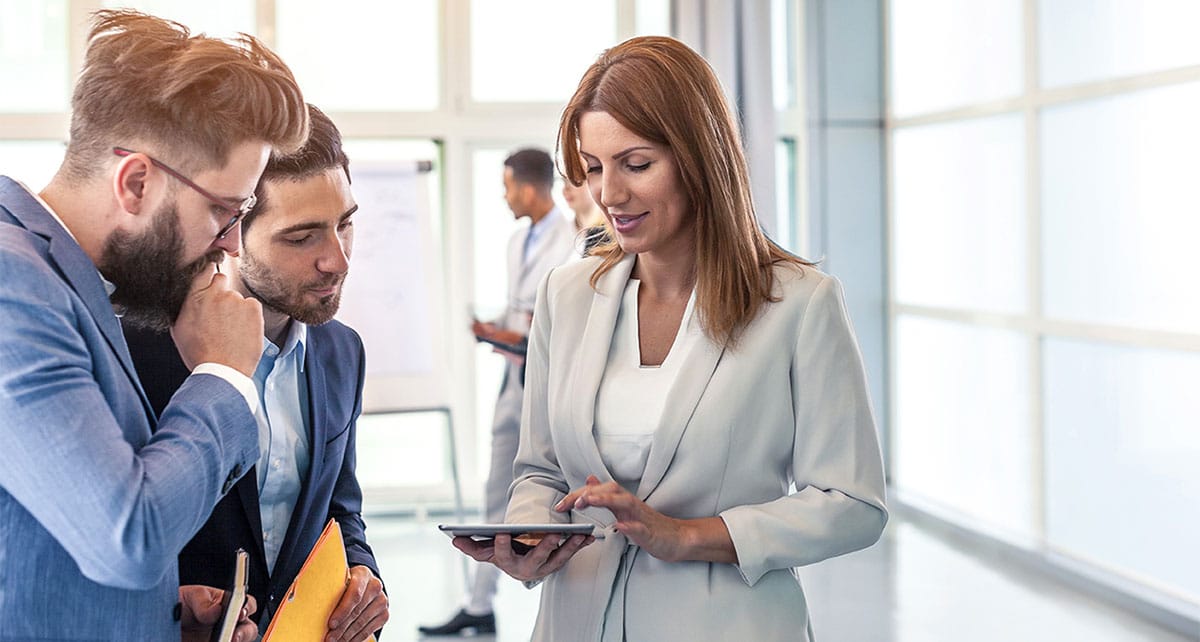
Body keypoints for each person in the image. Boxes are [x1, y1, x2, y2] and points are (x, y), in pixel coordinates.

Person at [451, 36, 888, 641]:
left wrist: (684, 536)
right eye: (593, 167)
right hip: (576, 622)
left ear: (700, 158)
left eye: (636, 164)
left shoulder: (799, 304)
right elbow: (540, 469)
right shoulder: (567, 295)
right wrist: (533, 535)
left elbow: (852, 504)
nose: (609, 194)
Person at [0, 9, 308, 641]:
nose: (228, 245)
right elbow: (127, 535)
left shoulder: (70, 284)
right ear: (137, 181)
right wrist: (224, 374)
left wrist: (157, 616)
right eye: (223, 210)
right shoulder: (15, 286)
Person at [124, 105, 389, 641]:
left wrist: (362, 572)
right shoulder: (136, 349)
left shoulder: (342, 351)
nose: (337, 259)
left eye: (345, 224)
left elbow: (340, 505)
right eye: (302, 238)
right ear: (228, 230)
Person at [420, 148, 577, 636]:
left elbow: (555, 324)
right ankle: (479, 603)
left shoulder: (572, 240)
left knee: (556, 489)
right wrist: (496, 328)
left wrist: (512, 335)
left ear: (529, 188)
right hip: (513, 380)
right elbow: (522, 315)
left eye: (508, 186)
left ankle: (562, 601)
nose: (505, 196)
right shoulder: (517, 242)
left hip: (549, 384)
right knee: (496, 487)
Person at [562, 179, 608, 257]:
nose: (566, 188)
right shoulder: (563, 229)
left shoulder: (605, 236)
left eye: (576, 181)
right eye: (564, 181)